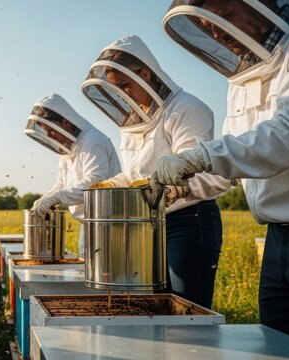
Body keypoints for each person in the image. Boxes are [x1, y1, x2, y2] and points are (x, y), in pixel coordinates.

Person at [153, 0, 289, 338]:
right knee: (279, 346)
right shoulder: (242, 77)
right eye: (208, 28)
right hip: (277, 239)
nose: (218, 33)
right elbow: (232, 164)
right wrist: (185, 186)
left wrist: (199, 157)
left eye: (223, 17)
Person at [81, 35, 232, 308]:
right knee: (153, 305)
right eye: (117, 90)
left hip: (189, 219)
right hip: (148, 223)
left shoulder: (186, 109)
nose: (123, 95)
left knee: (186, 307)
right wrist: (109, 185)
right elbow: (134, 173)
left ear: (145, 74)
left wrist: (173, 187)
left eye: (125, 85)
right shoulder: (133, 123)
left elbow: (205, 170)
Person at [25, 94, 121, 257]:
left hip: (110, 224)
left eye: (51, 130)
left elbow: (97, 181)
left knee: (104, 276)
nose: (50, 135)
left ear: (66, 122)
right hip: (88, 223)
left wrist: (57, 198)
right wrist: (45, 198)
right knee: (88, 273)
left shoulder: (92, 140)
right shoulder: (66, 149)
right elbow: (62, 183)